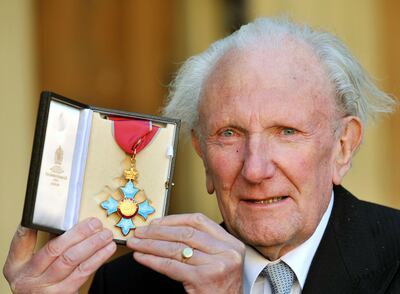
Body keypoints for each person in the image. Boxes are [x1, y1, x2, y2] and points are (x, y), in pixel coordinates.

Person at [4, 17, 400, 294]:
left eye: (287, 133)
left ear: (343, 147)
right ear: (201, 153)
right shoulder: (129, 284)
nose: (256, 169)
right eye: (228, 134)